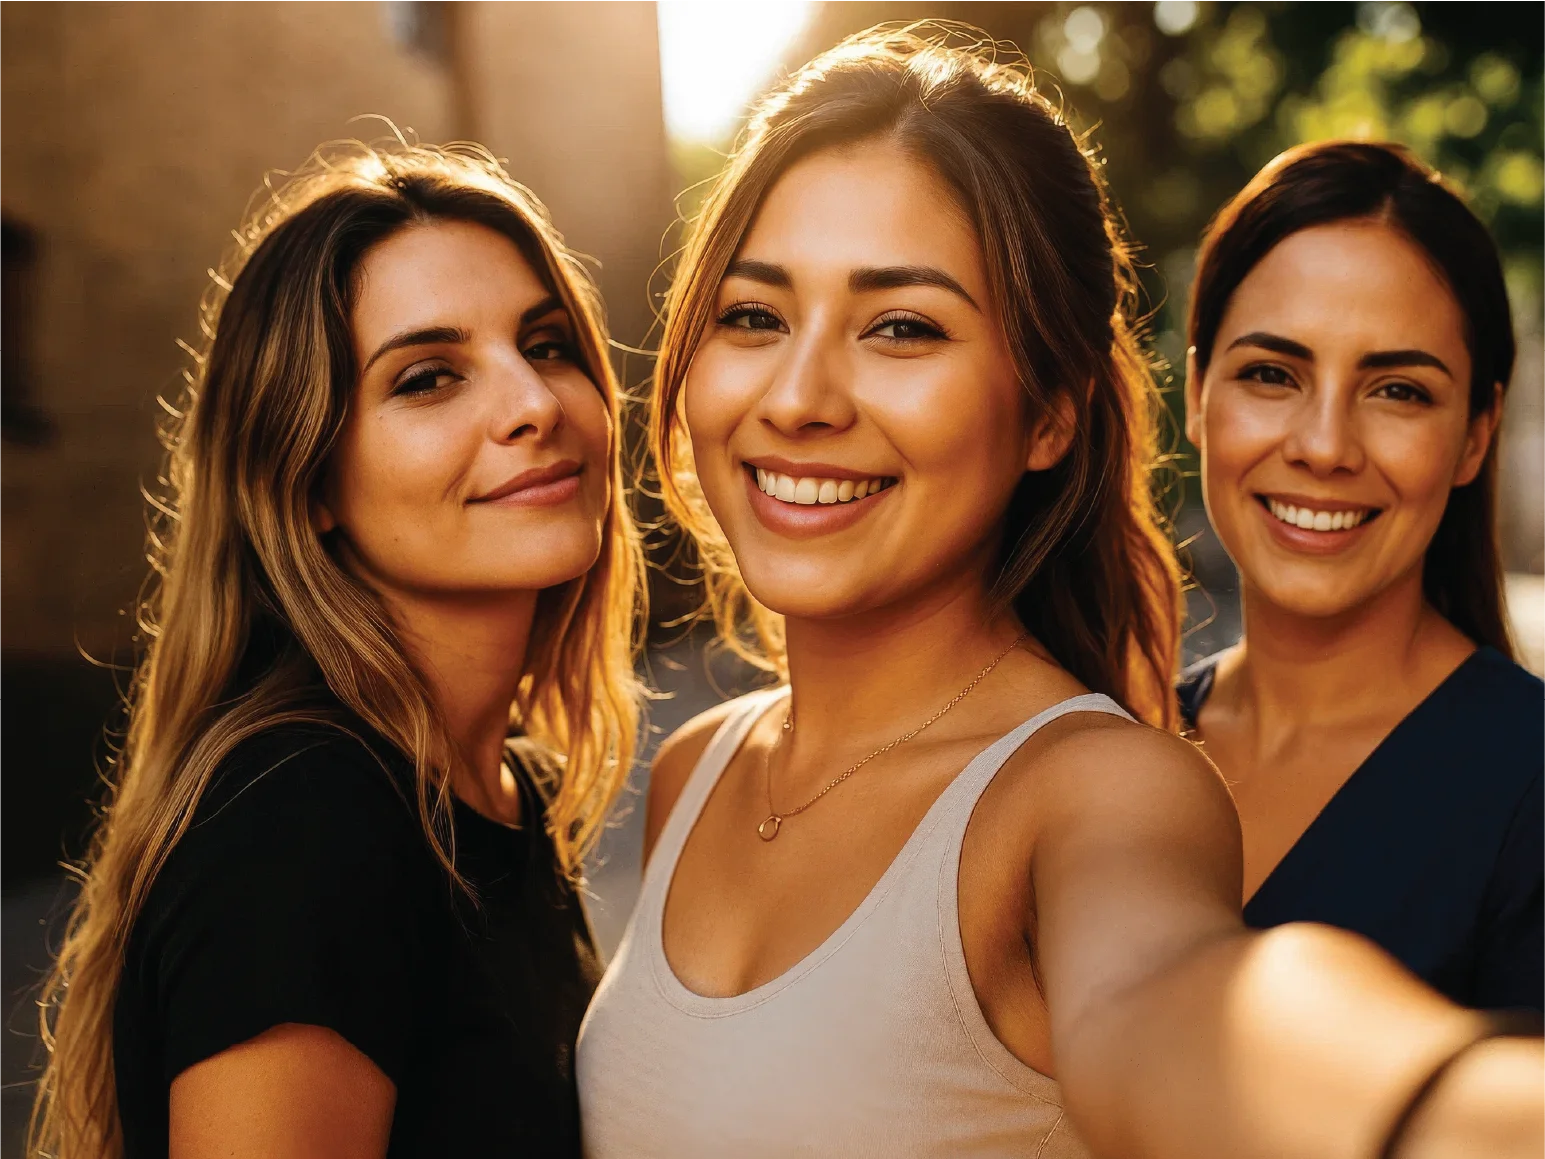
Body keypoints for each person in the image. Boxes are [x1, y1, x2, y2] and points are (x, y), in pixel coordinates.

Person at [577, 25, 1545, 1159]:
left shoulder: (1102, 790)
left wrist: (1439, 1109)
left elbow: (1175, 999)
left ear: (1050, 414)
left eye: (903, 326)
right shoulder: (699, 765)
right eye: (754, 314)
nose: (798, 395)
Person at [28, 140, 643, 1159]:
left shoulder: (498, 791)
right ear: (307, 481)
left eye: (545, 345)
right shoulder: (306, 823)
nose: (535, 403)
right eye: (429, 378)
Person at [1177, 140, 1545, 1011]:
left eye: (1397, 391)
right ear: (1196, 393)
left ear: (1476, 433)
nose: (1324, 446)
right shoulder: (1114, 742)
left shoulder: (1529, 795)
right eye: (1271, 374)